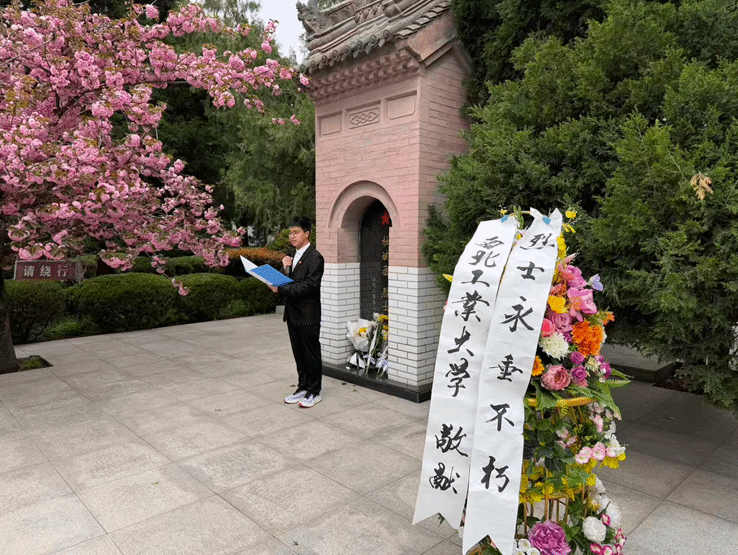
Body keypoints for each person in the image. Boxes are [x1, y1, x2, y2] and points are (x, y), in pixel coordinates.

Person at [269, 217, 324, 408]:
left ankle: (314, 391)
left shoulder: (315, 257)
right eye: (290, 233)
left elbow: (309, 285)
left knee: (311, 354)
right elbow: (288, 280)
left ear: (306, 233)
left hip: (308, 314)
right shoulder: (292, 256)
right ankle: (302, 387)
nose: (292, 236)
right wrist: (282, 269)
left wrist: (280, 288)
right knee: (299, 354)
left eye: (296, 232)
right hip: (292, 313)